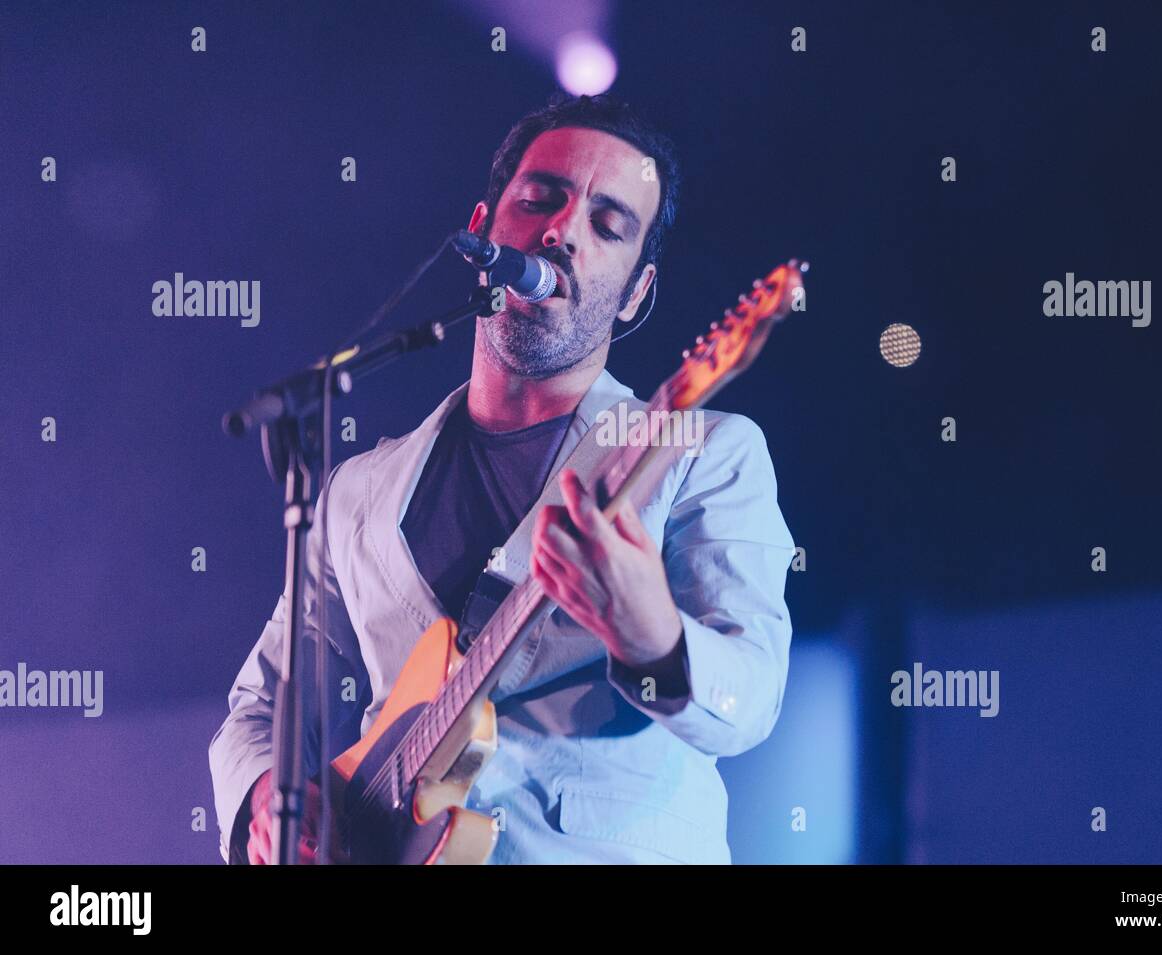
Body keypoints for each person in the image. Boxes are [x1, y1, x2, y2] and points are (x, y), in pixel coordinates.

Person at [208, 93, 795, 864]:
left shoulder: (700, 452)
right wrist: (269, 798)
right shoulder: (357, 491)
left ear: (637, 293)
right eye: (541, 199)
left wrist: (651, 635)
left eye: (608, 224)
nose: (562, 232)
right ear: (481, 230)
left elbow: (747, 703)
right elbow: (260, 705)